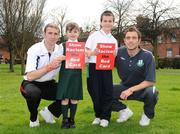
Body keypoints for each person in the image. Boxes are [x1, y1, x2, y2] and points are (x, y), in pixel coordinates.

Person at [20, 23, 65, 128]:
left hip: (49, 83)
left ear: (59, 36)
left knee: (69, 92)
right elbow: (30, 76)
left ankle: (48, 112)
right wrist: (49, 67)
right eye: (50, 33)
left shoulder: (60, 49)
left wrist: (89, 54)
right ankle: (34, 117)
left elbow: (77, 55)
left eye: (56, 34)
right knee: (34, 93)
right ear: (44, 34)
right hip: (31, 83)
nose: (53, 36)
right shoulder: (34, 49)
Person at [111, 27, 159, 126]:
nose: (131, 40)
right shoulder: (118, 52)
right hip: (124, 87)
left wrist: (131, 90)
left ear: (139, 40)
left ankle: (146, 115)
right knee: (104, 90)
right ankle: (124, 111)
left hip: (142, 89)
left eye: (134, 38)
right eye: (128, 38)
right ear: (124, 40)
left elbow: (150, 81)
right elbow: (104, 64)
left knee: (153, 91)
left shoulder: (148, 55)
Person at [85, 10, 118, 127]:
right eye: (105, 21)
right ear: (101, 22)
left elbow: (114, 57)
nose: (107, 23)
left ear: (113, 23)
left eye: (110, 21)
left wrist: (114, 55)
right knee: (95, 92)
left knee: (107, 92)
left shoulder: (114, 40)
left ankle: (105, 117)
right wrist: (92, 52)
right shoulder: (93, 36)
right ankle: (98, 116)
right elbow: (85, 51)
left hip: (107, 68)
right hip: (94, 67)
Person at [56, 22, 83, 129]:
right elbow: (57, 58)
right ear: (66, 33)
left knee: (74, 98)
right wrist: (63, 57)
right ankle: (64, 120)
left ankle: (72, 120)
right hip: (65, 74)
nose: (72, 34)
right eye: (70, 31)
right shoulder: (62, 45)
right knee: (65, 98)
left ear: (78, 33)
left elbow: (84, 61)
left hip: (76, 75)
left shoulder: (81, 46)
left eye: (75, 31)